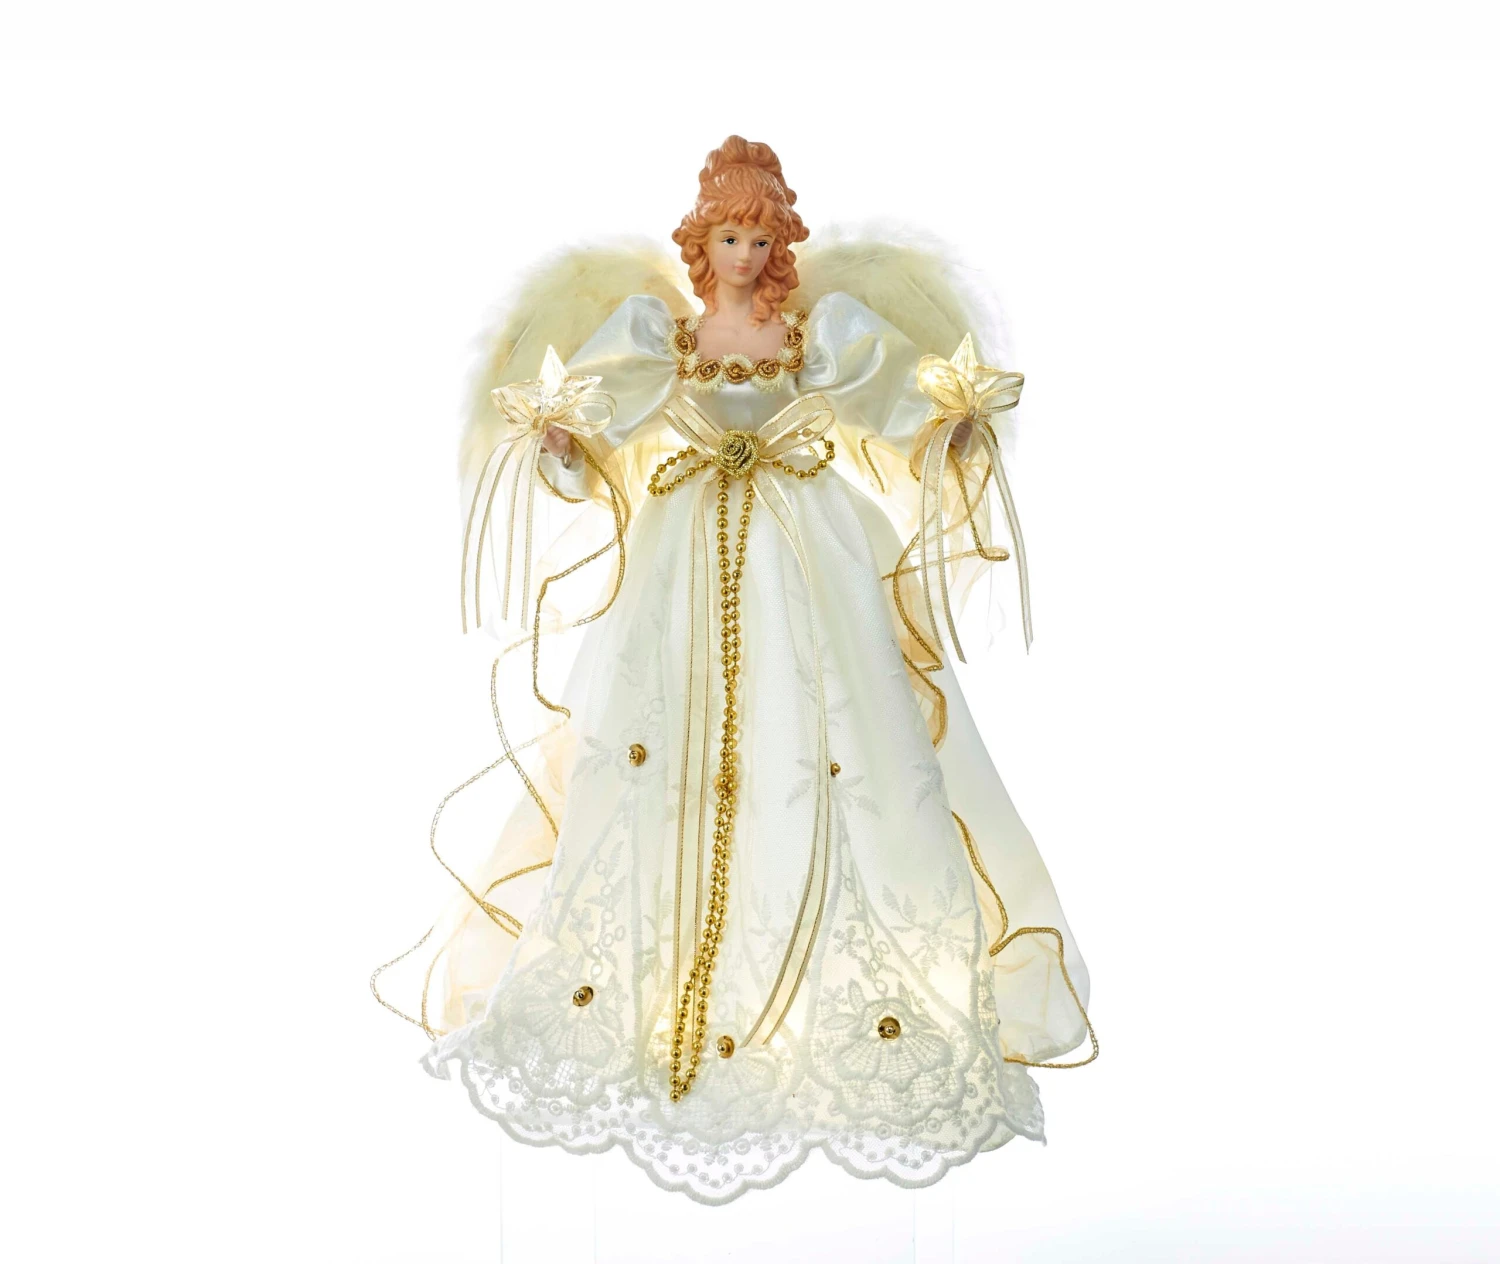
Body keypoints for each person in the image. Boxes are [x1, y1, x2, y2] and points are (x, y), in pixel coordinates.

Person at [374, 134, 1097, 1205]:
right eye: (729, 238)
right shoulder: (658, 333)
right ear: (700, 241)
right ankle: (655, 1015)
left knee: (825, 747)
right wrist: (564, 444)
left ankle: (820, 1013)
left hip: (807, 552)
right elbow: (595, 427)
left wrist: (950, 427)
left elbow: (903, 404)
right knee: (654, 749)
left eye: (761, 239)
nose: (746, 256)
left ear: (780, 242)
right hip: (680, 550)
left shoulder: (816, 332)